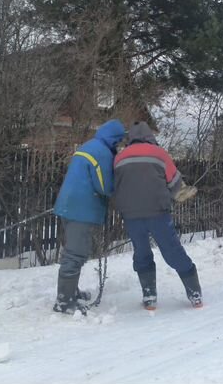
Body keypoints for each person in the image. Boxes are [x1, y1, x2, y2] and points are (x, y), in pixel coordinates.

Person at [113, 121, 201, 310]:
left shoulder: (120, 158)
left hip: (131, 215)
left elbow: (115, 186)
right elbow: (175, 183)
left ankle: (149, 296)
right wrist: (180, 193)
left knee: (141, 253)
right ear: (149, 136)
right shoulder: (159, 154)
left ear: (131, 138)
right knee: (172, 251)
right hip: (158, 213)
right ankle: (195, 294)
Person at [53, 119, 126, 314]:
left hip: (68, 204)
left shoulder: (88, 146)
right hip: (81, 208)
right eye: (119, 141)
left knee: (74, 251)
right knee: (75, 254)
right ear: (114, 139)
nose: (119, 145)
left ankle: (71, 292)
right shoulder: (101, 152)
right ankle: (64, 301)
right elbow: (104, 185)